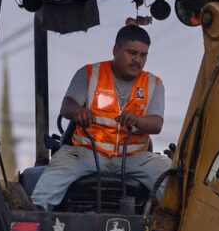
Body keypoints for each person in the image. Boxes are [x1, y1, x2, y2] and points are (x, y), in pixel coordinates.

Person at [31, 25, 171, 211]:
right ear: (115, 50)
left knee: (169, 172)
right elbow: (67, 106)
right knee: (58, 169)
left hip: (134, 158)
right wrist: (78, 112)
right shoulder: (90, 74)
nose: (137, 60)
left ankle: (174, 224)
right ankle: (36, 214)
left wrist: (137, 120)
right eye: (132, 53)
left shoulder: (154, 84)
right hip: (87, 153)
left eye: (143, 55)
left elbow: (156, 124)